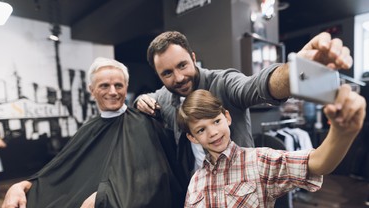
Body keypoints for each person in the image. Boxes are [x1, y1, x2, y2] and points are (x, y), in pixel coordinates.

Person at [0, 57, 186, 208]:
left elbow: (150, 178)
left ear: (126, 86)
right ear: (92, 90)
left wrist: (101, 198)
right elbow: (59, 172)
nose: (112, 92)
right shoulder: (89, 128)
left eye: (118, 85)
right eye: (104, 85)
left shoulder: (142, 123)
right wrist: (23, 185)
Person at [176, 88, 366, 208]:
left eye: (216, 121)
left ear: (227, 117)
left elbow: (315, 164)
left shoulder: (259, 162)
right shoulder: (196, 182)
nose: (213, 133)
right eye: (201, 130)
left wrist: (342, 134)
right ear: (192, 137)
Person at [135, 31, 353, 176]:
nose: (179, 77)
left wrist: (294, 73)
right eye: (167, 73)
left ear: (193, 57)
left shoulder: (224, 82)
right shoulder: (164, 97)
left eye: (182, 65)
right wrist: (140, 101)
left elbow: (256, 86)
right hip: (195, 190)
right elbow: (147, 100)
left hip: (239, 185)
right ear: (158, 75)